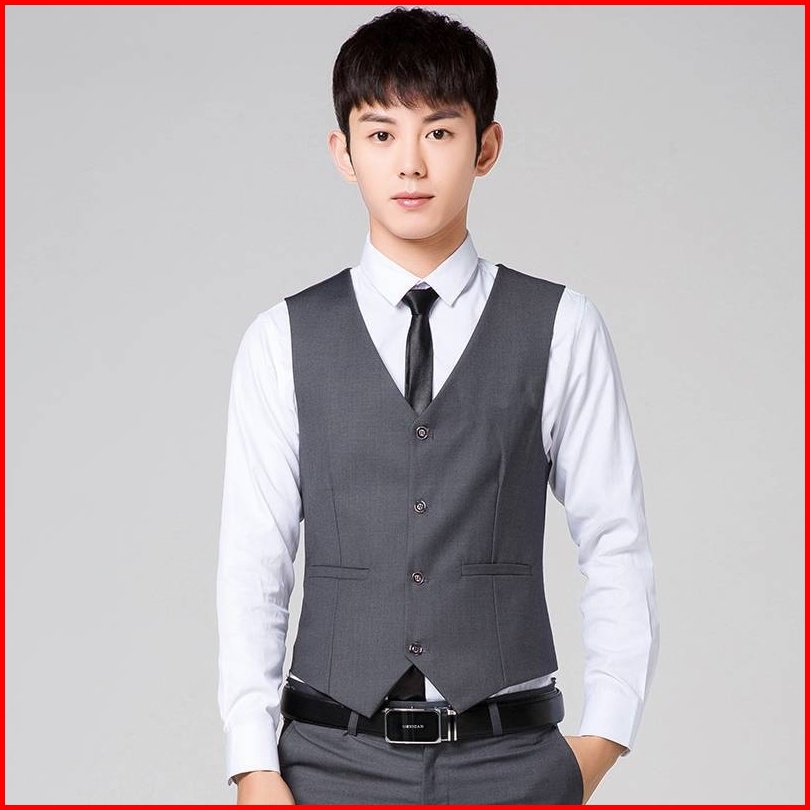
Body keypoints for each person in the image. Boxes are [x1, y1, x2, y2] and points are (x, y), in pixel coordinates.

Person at [217, 7, 659, 805]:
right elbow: (255, 564)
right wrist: (254, 765)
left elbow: (616, 539)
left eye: (441, 132)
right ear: (343, 153)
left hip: (511, 762)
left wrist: (601, 739)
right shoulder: (282, 340)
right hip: (327, 764)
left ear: (486, 147)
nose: (411, 163)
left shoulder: (560, 327)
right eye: (382, 134)